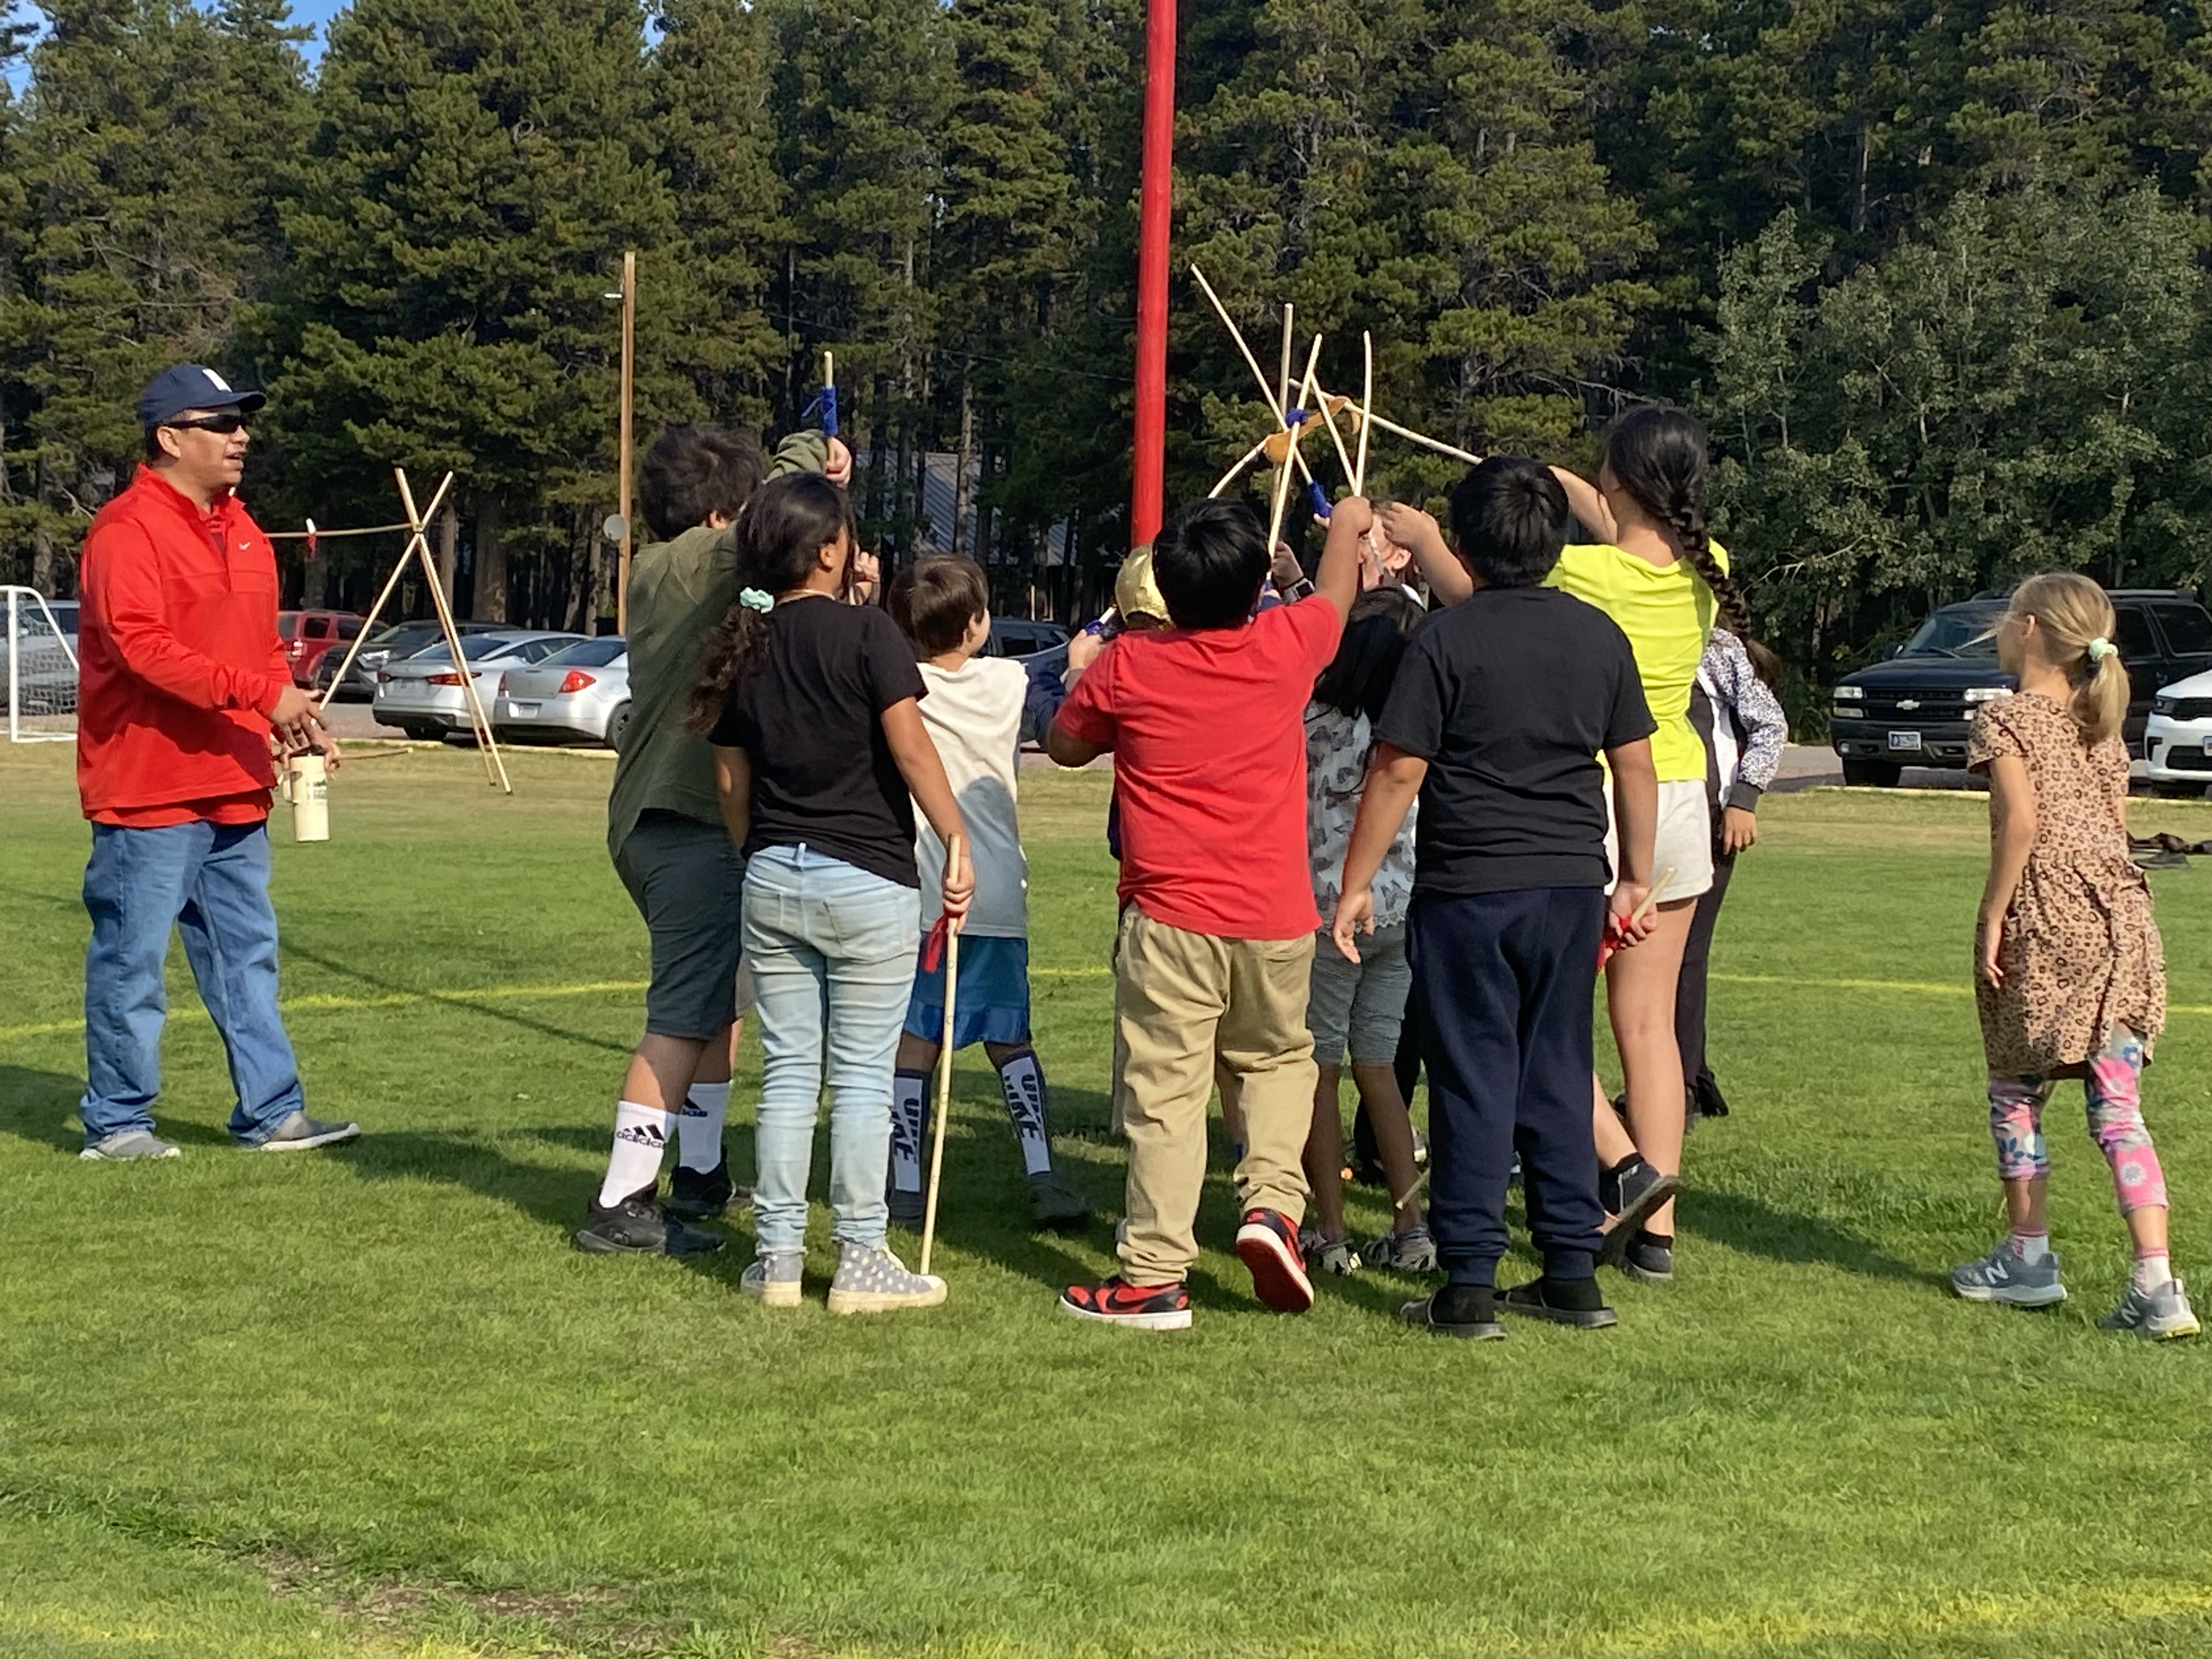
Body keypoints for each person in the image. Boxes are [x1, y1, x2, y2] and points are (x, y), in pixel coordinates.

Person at [1338, 458, 1658, 1339]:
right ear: (1556, 542)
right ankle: (1569, 1271)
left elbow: (1400, 767)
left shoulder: (1449, 638)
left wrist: (1355, 882)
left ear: (1466, 544)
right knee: (1556, 1068)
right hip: (1568, 886)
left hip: (1471, 886)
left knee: (1473, 1076)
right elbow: (1634, 762)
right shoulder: (1599, 637)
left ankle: (1470, 1282)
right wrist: (1634, 875)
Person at [1048, 495, 1360, 1330]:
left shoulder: (1129, 667)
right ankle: (1270, 1207)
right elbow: (1335, 592)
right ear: (1260, 581)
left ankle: (1152, 1274)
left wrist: (1085, 668)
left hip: (1171, 915)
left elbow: (1064, 745)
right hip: (1275, 913)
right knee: (1277, 1063)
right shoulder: (1285, 645)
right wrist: (1352, 520)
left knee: (1168, 1094)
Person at [696, 473, 972, 1314]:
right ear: (828, 550)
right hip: (867, 878)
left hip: (776, 871)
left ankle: (777, 1256)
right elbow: (913, 752)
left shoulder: (744, 640)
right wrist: (957, 839)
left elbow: (728, 780)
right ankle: (860, 1255)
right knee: (858, 1077)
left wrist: (757, 853)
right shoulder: (868, 637)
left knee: (788, 1075)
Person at [72, 364, 358, 1160]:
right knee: (133, 962)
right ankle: (119, 1123)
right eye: (221, 424)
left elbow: (260, 650)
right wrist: (260, 698)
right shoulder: (125, 530)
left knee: (247, 956)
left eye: (242, 423)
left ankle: (272, 1113)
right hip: (148, 784)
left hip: (235, 781)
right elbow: (141, 649)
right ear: (170, 438)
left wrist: (295, 716)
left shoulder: (242, 528)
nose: (242, 437)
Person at [575, 422, 845, 1255]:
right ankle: (622, 1201)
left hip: (659, 817)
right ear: (727, 514)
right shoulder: (696, 558)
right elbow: (777, 518)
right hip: (687, 823)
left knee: (718, 1009)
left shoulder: (671, 574)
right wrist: (812, 453)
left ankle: (698, 1177)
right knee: (682, 1017)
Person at [1953, 575, 2197, 1340]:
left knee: (2016, 1088)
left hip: (2047, 920)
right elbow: (2114, 827)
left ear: (2028, 631)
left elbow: (2021, 823)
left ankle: (2028, 1257)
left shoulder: (2006, 721)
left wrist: (1993, 915)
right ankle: (2157, 1282)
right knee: (2119, 1110)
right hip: (2124, 923)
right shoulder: (2102, 728)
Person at [884, 554, 1090, 1231]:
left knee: (915, 1040)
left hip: (924, 890)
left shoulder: (895, 682)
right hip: (997, 890)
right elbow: (1058, 684)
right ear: (977, 625)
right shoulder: (1009, 679)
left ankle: (906, 1186)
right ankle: (1043, 1175)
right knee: (1011, 1038)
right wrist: (1088, 648)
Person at [1300, 586, 1430, 1276]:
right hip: (1398, 912)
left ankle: (1330, 1227)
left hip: (1326, 915)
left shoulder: (1313, 720)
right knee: (1378, 1066)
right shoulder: (1413, 731)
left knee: (1319, 1066)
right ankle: (1410, 1223)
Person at [1675, 628, 1786, 1125]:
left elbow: (1769, 724)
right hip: (1625, 818)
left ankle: (1683, 1084)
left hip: (1708, 822)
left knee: (1685, 959)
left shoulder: (1716, 649)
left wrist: (1745, 799)